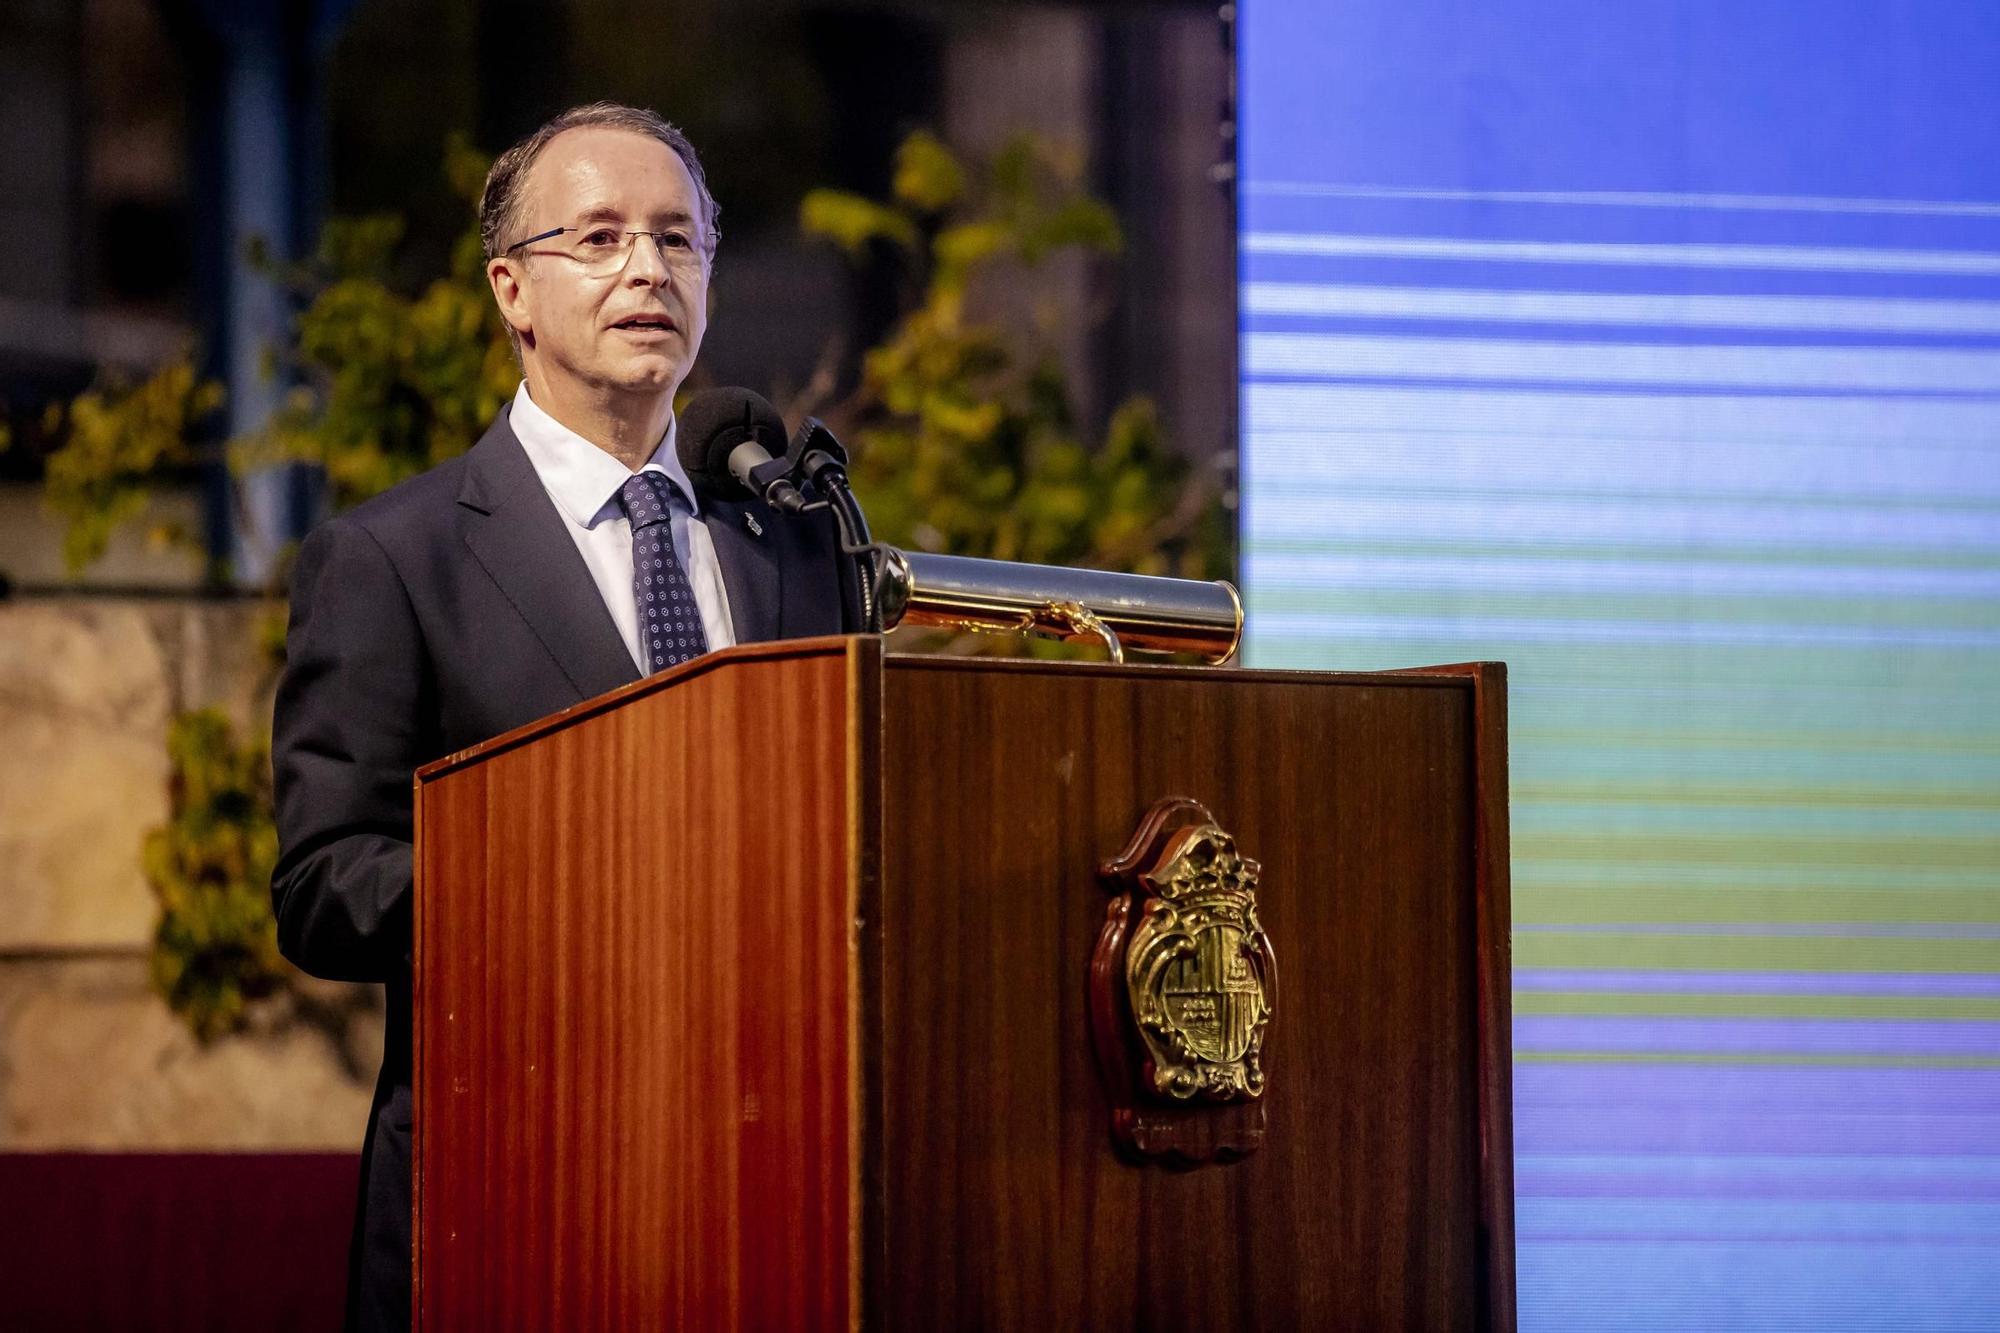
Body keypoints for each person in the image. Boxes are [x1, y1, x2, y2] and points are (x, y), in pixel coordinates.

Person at [270, 102, 849, 1332]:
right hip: (515, 1180)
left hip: (771, 1185)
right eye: (598, 237)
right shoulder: (394, 557)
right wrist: (573, 884)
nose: (647, 268)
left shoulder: (792, 543)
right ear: (511, 291)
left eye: (677, 239)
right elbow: (324, 883)